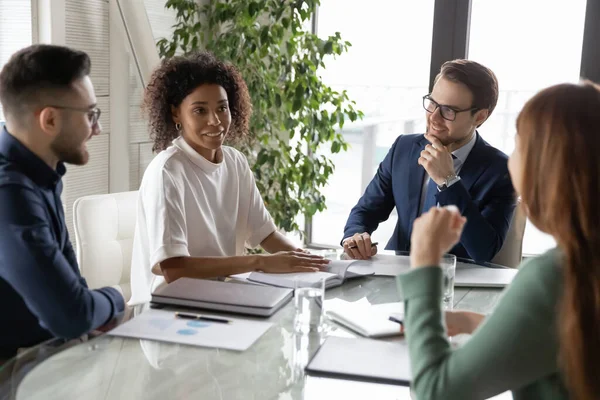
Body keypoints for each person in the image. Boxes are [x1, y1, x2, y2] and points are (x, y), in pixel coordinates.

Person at [398, 81, 600, 400]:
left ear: (549, 168)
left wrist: (425, 263)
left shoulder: (556, 274)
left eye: (519, 147)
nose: (512, 160)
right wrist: (472, 321)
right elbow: (561, 338)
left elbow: (435, 393)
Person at [129, 52, 329, 304]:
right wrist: (259, 262)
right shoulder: (168, 171)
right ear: (176, 114)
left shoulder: (235, 162)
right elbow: (173, 268)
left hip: (223, 299)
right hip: (167, 309)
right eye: (199, 110)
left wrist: (318, 264)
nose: (215, 121)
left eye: (222, 108)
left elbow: (266, 235)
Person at [0, 45, 125, 360]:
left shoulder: (41, 174)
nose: (97, 129)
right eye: (90, 114)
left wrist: (87, 308)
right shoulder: (10, 194)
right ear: (50, 120)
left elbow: (73, 293)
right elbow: (72, 315)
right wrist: (116, 296)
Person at [342, 60, 516, 263]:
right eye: (432, 103)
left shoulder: (501, 171)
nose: (433, 117)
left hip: (453, 283)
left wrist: (449, 182)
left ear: (479, 117)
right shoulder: (404, 148)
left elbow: (484, 250)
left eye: (448, 111)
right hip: (394, 276)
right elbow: (366, 210)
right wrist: (354, 235)